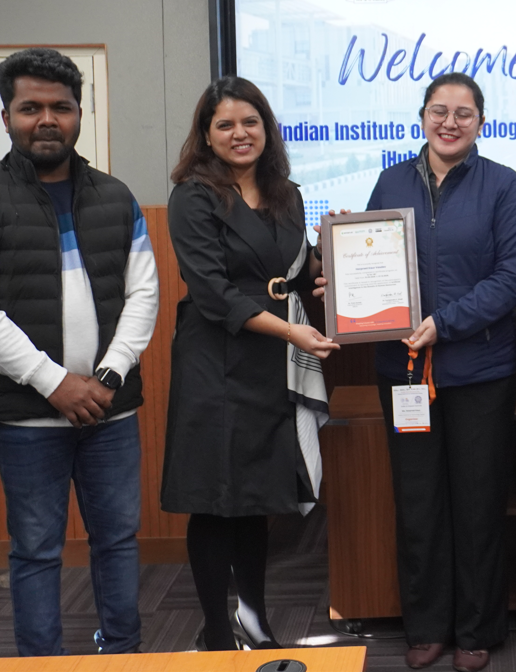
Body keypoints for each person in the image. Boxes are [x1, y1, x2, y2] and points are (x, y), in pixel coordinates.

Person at [0, 48, 160, 656]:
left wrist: (108, 376)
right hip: (27, 416)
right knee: (37, 549)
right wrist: (54, 382)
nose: (46, 120)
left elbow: (144, 294)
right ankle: (41, 666)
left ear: (79, 115)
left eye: (60, 107)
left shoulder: (116, 196)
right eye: (30, 107)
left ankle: (122, 655)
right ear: (6, 116)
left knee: (118, 540)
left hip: (111, 409)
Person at [359, 72, 516, 672]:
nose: (450, 122)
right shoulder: (391, 181)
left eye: (464, 113)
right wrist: (345, 288)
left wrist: (447, 323)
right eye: (439, 110)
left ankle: (477, 629)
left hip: (479, 370)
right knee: (418, 503)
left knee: (478, 503)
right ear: (422, 117)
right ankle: (427, 625)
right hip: (404, 372)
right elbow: (371, 262)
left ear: (481, 122)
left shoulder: (503, 185)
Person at [161, 77, 339, 651]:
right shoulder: (192, 197)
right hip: (215, 362)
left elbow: (293, 272)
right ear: (206, 135)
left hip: (270, 363)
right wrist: (290, 330)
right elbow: (213, 294)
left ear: (266, 128)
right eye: (225, 125)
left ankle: (254, 619)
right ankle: (216, 630)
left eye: (250, 122)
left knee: (257, 497)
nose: (240, 134)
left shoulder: (287, 193)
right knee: (217, 500)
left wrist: (331, 262)